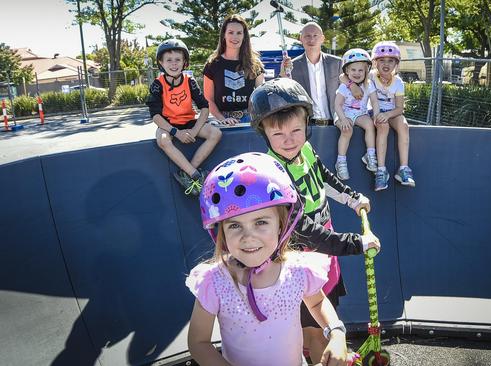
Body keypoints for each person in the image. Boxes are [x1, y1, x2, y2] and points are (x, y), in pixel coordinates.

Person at [249, 78, 380, 364]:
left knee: (329, 307)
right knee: (316, 332)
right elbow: (305, 232)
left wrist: (352, 198)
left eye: (296, 130)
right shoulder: (274, 175)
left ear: (307, 125)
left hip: (324, 252)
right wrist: (356, 243)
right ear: (265, 135)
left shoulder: (305, 150)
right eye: (278, 134)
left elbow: (323, 177)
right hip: (302, 260)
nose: (290, 140)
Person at [187, 152, 351, 366]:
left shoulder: (298, 269)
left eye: (261, 222)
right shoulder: (215, 281)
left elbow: (318, 302)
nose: (248, 237)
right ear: (221, 232)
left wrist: (337, 334)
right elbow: (198, 342)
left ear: (282, 225)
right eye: (235, 225)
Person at [146, 39, 222, 196]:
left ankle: (187, 172)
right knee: (163, 139)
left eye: (178, 60)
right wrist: (176, 132)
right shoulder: (157, 84)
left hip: (188, 122)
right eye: (169, 60)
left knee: (216, 133)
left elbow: (204, 107)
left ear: (184, 62)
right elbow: (155, 116)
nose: (174, 64)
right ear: (161, 62)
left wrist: (194, 131)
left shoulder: (190, 81)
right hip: (169, 125)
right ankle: (195, 175)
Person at [368, 41, 415, 190]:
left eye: (390, 60)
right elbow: (345, 76)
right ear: (375, 62)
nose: (386, 64)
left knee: (403, 125)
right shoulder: (370, 77)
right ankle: (381, 171)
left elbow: (400, 108)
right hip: (374, 112)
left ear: (396, 64)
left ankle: (404, 168)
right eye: (382, 60)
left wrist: (387, 114)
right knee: (382, 126)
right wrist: (380, 115)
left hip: (391, 112)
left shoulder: (398, 82)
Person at [203, 14, 265, 125]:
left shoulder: (254, 64)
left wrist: (282, 74)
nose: (235, 37)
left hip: (250, 120)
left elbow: (262, 95)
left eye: (239, 33)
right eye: (231, 32)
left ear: (244, 36)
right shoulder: (212, 64)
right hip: (221, 120)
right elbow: (209, 100)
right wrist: (222, 119)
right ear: (224, 35)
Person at [281, 22, 341, 126]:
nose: (311, 40)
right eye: (307, 36)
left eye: (315, 36)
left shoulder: (337, 63)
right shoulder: (291, 67)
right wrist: (283, 75)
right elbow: (284, 95)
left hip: (336, 124)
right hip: (307, 126)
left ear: (322, 39)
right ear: (301, 39)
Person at [333, 48, 377, 181]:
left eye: (360, 70)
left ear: (366, 71)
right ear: (347, 71)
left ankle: (370, 154)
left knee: (370, 125)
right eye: (353, 70)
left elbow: (374, 102)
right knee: (347, 130)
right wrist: (343, 119)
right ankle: (341, 161)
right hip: (343, 114)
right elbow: (337, 105)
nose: (357, 73)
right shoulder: (344, 87)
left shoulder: (369, 85)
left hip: (360, 114)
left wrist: (377, 115)